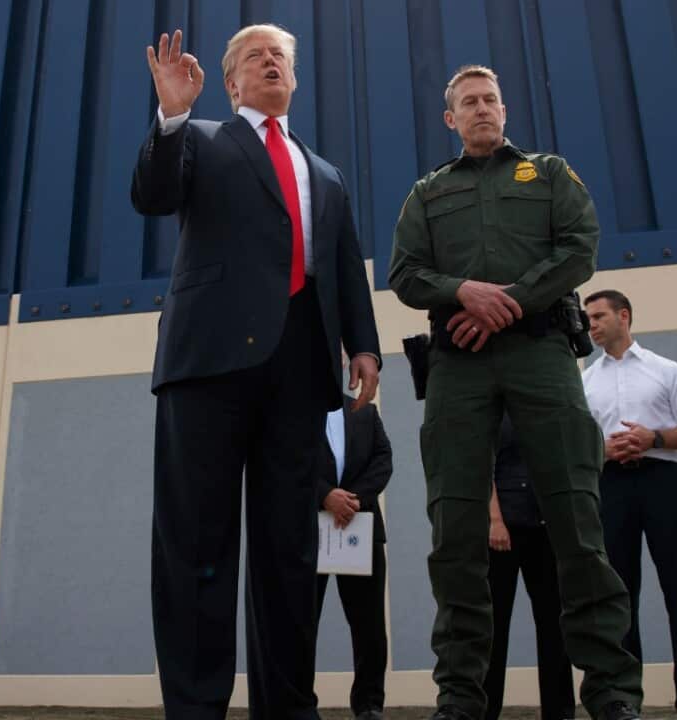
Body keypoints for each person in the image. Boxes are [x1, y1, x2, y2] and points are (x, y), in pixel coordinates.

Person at [131, 26, 381, 720]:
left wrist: (364, 343)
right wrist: (172, 115)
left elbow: (343, 266)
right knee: (197, 544)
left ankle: (288, 707)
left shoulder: (325, 174)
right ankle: (196, 707)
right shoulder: (204, 139)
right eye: (252, 59)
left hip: (298, 375)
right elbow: (151, 195)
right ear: (232, 82)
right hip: (207, 366)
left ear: (292, 80)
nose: (269, 63)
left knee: (289, 554)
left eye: (280, 58)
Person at [388, 64, 643, 720]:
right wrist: (461, 293)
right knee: (456, 530)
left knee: (578, 521)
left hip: (540, 353)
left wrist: (508, 302)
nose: (480, 109)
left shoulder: (551, 175)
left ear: (505, 109)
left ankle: (612, 695)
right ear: (450, 118)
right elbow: (406, 273)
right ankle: (461, 701)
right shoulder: (427, 193)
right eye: (467, 102)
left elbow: (579, 249)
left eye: (490, 100)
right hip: (460, 364)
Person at [582, 290, 677, 720]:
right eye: (588, 319)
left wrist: (654, 438)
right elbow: (578, 442)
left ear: (624, 316)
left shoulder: (667, 370)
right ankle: (624, 701)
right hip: (612, 487)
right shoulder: (585, 380)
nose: (592, 325)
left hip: (663, 480)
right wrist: (603, 449)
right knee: (619, 597)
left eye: (599, 316)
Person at [485, 413, 577, 720]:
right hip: (503, 532)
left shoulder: (542, 405)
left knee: (554, 626)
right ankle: (487, 710)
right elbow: (483, 466)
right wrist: (495, 520)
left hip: (545, 528)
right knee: (494, 628)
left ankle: (560, 711)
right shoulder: (492, 410)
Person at [316, 398, 393, 720]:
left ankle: (369, 705)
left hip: (360, 528)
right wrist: (324, 494)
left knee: (369, 626)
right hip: (308, 531)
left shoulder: (365, 410)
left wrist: (351, 500)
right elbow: (285, 459)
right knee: (299, 624)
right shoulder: (292, 409)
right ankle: (298, 703)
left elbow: (383, 458)